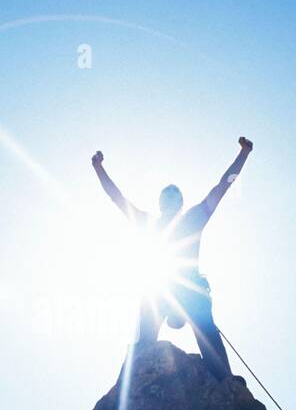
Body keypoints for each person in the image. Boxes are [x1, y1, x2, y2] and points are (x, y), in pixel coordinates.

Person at [91, 138, 254, 380]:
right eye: (166, 198)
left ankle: (225, 379)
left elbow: (223, 186)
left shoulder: (192, 218)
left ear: (179, 203)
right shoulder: (158, 222)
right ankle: (132, 375)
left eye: (173, 198)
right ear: (162, 204)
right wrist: (99, 169)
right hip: (164, 289)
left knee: (205, 329)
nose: (169, 202)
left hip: (186, 290)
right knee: (146, 330)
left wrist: (244, 154)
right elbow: (117, 198)